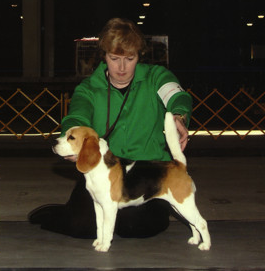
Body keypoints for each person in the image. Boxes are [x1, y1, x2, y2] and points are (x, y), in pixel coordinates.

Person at [29, 17, 192, 239]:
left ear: (139, 56)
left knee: (134, 226)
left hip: (148, 174)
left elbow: (177, 96)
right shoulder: (88, 89)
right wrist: (71, 142)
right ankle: (59, 213)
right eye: (114, 58)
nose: (122, 68)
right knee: (82, 227)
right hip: (104, 170)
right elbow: (76, 117)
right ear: (104, 55)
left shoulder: (157, 77)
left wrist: (179, 116)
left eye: (130, 58)